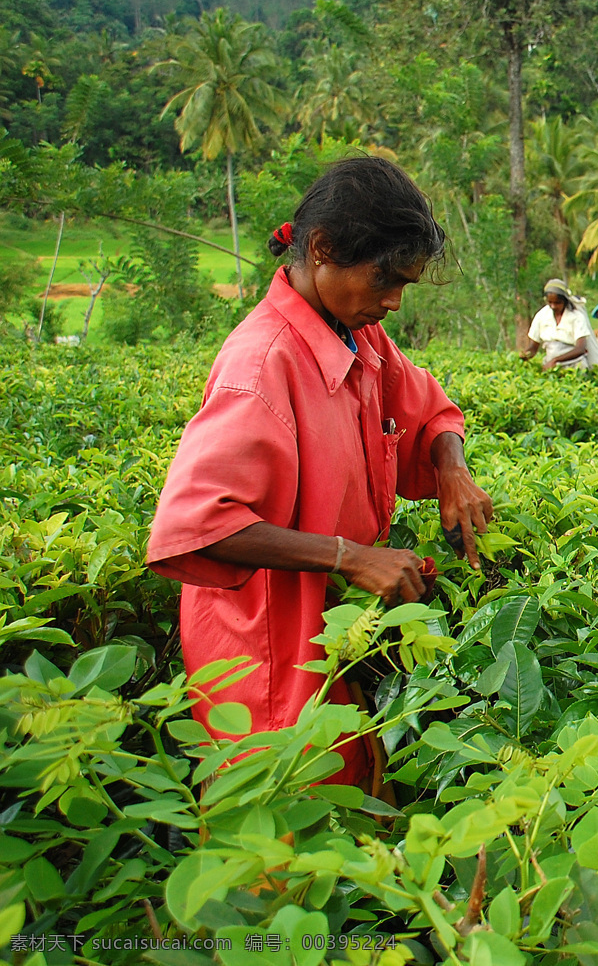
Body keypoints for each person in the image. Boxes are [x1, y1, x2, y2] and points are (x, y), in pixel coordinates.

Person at [146, 157, 494, 791]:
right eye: (383, 278)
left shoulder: (358, 337)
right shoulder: (261, 366)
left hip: (335, 643)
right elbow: (197, 526)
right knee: (282, 850)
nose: (392, 301)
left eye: (404, 286)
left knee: (349, 845)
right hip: (267, 662)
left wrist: (451, 467)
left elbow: (427, 407)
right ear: (322, 249)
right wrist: (351, 557)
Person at [523, 279, 598, 370]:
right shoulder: (542, 315)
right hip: (551, 367)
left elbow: (580, 348)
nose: (553, 306)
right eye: (550, 302)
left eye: (557, 303)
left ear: (565, 301)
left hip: (575, 367)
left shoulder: (576, 317)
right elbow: (533, 347)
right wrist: (526, 354)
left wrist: (556, 360)